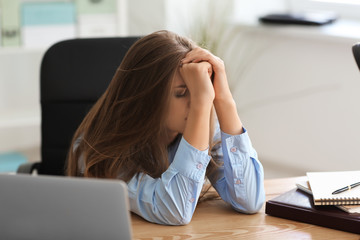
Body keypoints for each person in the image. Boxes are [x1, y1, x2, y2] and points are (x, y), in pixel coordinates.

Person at [66, 30, 265, 225]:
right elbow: (175, 212)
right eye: (181, 93)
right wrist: (201, 101)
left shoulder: (204, 128)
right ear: (146, 97)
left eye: (200, 91)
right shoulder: (99, 152)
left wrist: (224, 100)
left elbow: (250, 201)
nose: (195, 102)